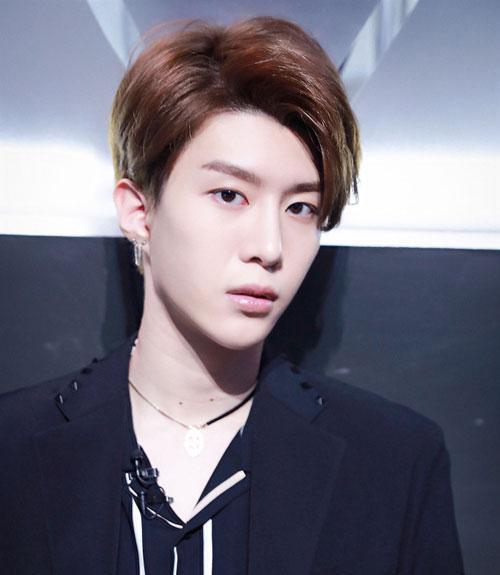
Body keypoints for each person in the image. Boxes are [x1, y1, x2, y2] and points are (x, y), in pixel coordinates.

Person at [0, 15, 464, 575]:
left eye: (301, 208)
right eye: (229, 195)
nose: (269, 247)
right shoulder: (13, 448)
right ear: (139, 211)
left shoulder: (394, 465)